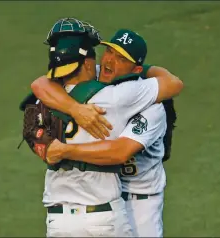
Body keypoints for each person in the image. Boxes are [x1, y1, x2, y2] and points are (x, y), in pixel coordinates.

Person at [31, 23, 183, 237]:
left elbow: (121, 151)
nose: (110, 61)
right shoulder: (98, 77)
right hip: (107, 199)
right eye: (109, 52)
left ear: (137, 70)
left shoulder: (149, 104)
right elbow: (40, 83)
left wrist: (63, 150)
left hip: (139, 201)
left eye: (122, 59)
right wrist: (75, 109)